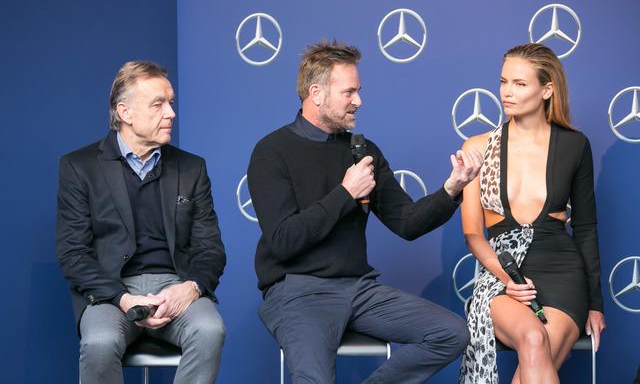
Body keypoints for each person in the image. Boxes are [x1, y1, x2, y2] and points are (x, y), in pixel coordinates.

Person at [247, 39, 483, 383]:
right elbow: (283, 241)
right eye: (349, 92)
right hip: (297, 292)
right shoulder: (272, 151)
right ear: (316, 93)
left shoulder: (363, 151)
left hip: (357, 289)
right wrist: (345, 194)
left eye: (358, 91)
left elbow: (407, 222)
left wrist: (452, 189)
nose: (358, 101)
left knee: (451, 333)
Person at [56, 61, 226, 384]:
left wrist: (189, 289)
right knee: (100, 342)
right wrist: (123, 299)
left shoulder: (192, 168)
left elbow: (210, 249)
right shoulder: (79, 167)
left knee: (209, 329)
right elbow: (73, 254)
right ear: (125, 112)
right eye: (158, 104)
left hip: (175, 287)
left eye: (171, 102)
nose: (171, 113)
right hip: (110, 292)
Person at [458, 43, 606, 384]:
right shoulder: (478, 147)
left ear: (547, 90)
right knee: (533, 337)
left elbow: (585, 228)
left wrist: (595, 304)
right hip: (501, 277)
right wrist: (508, 279)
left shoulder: (574, 145)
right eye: (503, 81)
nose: (506, 92)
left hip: (562, 274)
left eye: (519, 84)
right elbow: (473, 234)